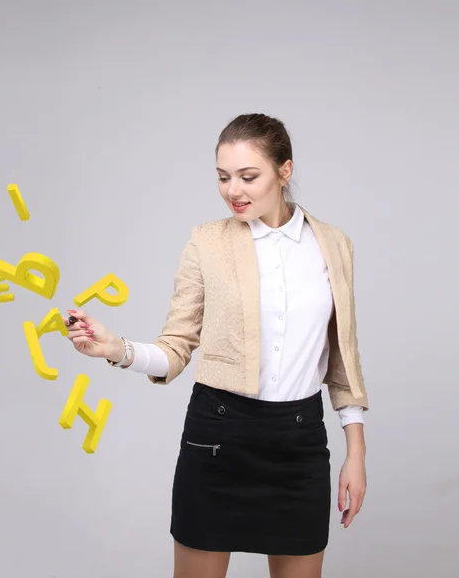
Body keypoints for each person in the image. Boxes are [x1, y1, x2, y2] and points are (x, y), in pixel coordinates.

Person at [63, 113, 368, 578]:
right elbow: (175, 347)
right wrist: (116, 348)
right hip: (218, 438)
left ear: (284, 171)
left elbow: (344, 361)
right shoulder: (206, 242)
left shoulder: (334, 245)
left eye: (249, 176)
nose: (233, 190)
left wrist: (356, 456)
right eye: (223, 177)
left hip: (300, 442)